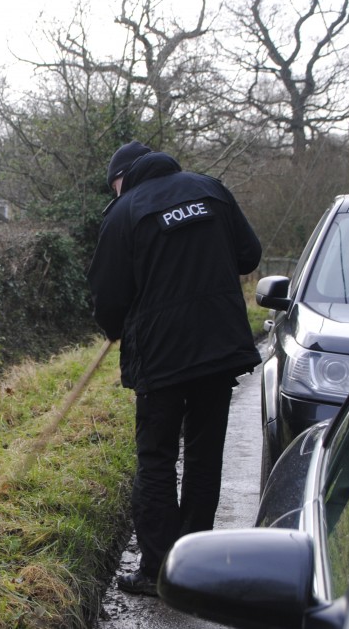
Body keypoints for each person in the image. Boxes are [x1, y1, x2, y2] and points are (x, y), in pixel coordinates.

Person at [86, 141, 261, 595]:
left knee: (157, 457)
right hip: (218, 347)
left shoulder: (124, 212)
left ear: (122, 178)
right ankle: (194, 564)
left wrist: (115, 327)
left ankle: (158, 570)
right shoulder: (212, 190)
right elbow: (249, 255)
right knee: (204, 454)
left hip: (161, 356)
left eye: (113, 186)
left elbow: (108, 293)